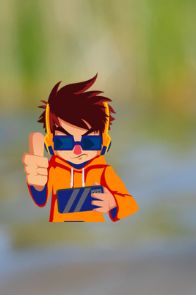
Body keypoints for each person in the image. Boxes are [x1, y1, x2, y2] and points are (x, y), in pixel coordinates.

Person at [22, 75, 139, 222]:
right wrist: (36, 183)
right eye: (65, 142)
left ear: (103, 143)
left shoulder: (103, 171)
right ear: (51, 143)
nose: (77, 151)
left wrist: (113, 202)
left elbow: (130, 203)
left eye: (89, 142)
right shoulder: (53, 169)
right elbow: (40, 199)